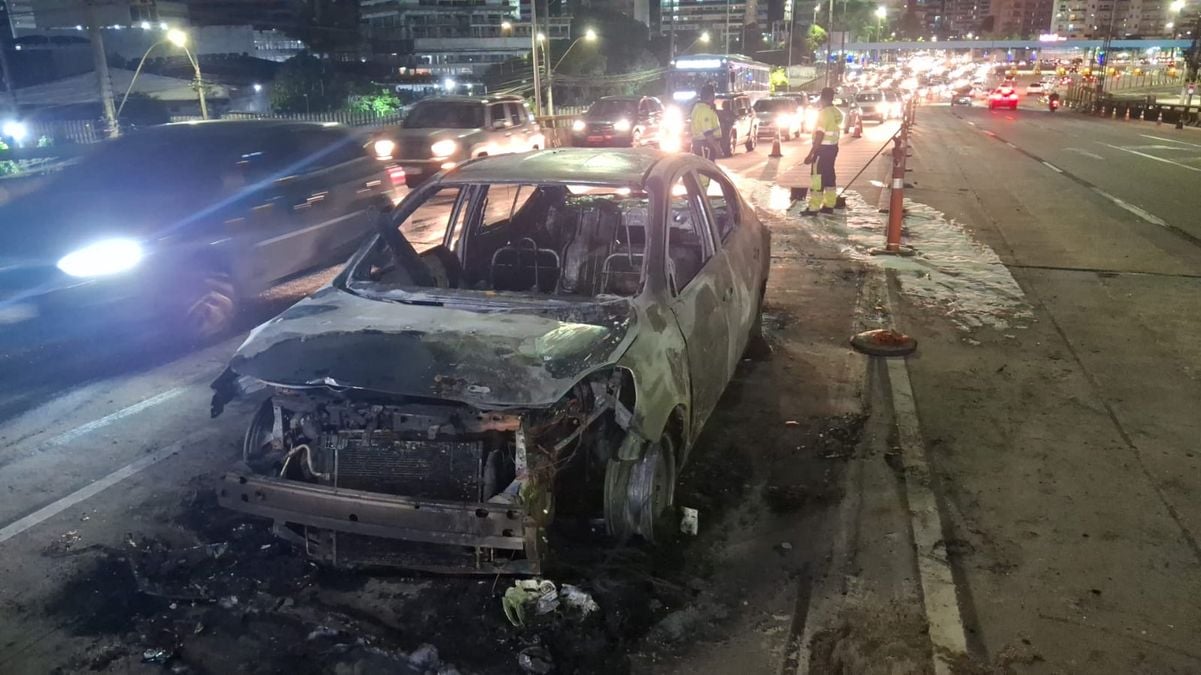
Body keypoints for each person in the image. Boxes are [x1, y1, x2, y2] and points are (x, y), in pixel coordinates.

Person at [802, 87, 844, 216]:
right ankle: (829, 204)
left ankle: (814, 207)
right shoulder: (838, 112)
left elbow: (820, 135)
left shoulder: (823, 113)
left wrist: (811, 154)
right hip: (833, 149)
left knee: (817, 177)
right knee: (829, 175)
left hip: (822, 150)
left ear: (823, 98)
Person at [690, 84, 723, 160]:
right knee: (707, 170)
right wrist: (717, 148)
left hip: (700, 145)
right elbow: (708, 133)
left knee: (703, 169)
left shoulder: (698, 108)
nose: (714, 98)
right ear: (711, 96)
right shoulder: (705, 111)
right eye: (714, 96)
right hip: (705, 146)